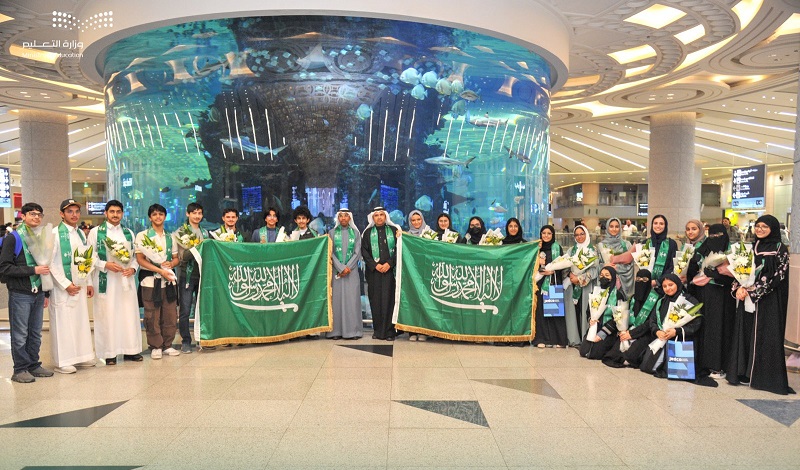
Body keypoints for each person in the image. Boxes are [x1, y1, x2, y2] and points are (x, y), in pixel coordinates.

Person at [728, 215, 795, 395]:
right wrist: (739, 288)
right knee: (746, 333)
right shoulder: (752, 247)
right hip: (747, 298)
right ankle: (744, 373)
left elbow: (779, 275)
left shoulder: (780, 249)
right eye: (758, 226)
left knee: (765, 336)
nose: (760, 229)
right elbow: (740, 270)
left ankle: (763, 377)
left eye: (765, 226)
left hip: (769, 300)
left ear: (773, 229)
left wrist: (755, 290)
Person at [0, 203, 53, 383]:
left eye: (39, 214)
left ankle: (33, 365)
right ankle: (20, 369)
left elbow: (45, 266)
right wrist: (33, 270)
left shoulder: (40, 237)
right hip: (20, 293)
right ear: (23, 216)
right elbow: (5, 268)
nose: (36, 217)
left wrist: (46, 293)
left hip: (38, 292)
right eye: (32, 214)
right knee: (20, 333)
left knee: (35, 332)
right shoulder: (13, 238)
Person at [88, 200, 143, 365]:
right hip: (106, 279)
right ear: (105, 213)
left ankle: (130, 350)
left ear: (122, 214)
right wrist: (105, 264)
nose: (115, 215)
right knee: (108, 315)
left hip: (125, 280)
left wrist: (133, 269)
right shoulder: (95, 233)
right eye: (112, 211)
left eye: (118, 212)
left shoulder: (129, 233)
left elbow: (136, 257)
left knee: (128, 314)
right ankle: (109, 353)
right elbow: (90, 256)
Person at [49, 199, 96, 374]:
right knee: (63, 323)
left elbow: (86, 258)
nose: (74, 215)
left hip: (79, 285)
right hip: (62, 288)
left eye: (76, 211)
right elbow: (49, 263)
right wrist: (65, 284)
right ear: (62, 214)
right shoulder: (55, 234)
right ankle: (63, 361)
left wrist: (88, 282)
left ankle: (81, 356)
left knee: (79, 321)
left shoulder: (81, 234)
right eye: (70, 211)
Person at [686, 223, 733, 380]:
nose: (715, 239)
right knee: (703, 327)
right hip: (702, 293)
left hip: (722, 296)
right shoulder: (702, 249)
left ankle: (717, 365)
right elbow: (691, 270)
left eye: (719, 235)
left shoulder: (731, 252)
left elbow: (736, 277)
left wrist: (717, 275)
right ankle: (702, 362)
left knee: (717, 330)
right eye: (712, 235)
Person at [135, 204, 180, 360]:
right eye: (154, 214)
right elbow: (140, 259)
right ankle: (155, 346)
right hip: (150, 281)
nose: (158, 217)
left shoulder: (171, 237)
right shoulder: (142, 236)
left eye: (161, 214)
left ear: (165, 217)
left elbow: (176, 258)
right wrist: (159, 270)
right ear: (150, 217)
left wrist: (171, 264)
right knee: (152, 315)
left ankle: (167, 345)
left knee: (170, 314)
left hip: (168, 281)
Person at [638, 274, 704, 380]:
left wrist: (676, 331)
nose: (668, 288)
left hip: (680, 339)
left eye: (671, 285)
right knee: (647, 367)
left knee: (668, 370)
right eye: (664, 286)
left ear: (677, 284)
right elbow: (652, 320)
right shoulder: (662, 301)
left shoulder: (690, 301)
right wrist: (657, 331)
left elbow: (696, 324)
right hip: (662, 337)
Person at [602, 269, 660, 369]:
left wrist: (632, 334)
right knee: (612, 355)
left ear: (650, 281)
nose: (641, 282)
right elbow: (625, 315)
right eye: (638, 279)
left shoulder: (656, 299)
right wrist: (623, 330)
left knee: (630, 355)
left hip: (647, 332)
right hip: (630, 330)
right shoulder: (633, 298)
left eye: (644, 280)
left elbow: (651, 323)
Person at [175, 202, 209, 353]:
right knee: (185, 310)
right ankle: (186, 341)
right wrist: (198, 247)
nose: (197, 216)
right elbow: (182, 257)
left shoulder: (206, 233)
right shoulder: (180, 233)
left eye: (199, 213)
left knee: (203, 309)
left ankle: (203, 338)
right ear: (187, 214)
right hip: (186, 276)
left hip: (203, 275)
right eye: (194, 213)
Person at [361, 207, 399, 341]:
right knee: (376, 301)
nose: (379, 217)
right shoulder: (367, 233)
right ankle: (377, 331)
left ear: (385, 216)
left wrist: (390, 263)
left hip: (390, 272)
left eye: (381, 215)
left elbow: (399, 250)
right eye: (376, 215)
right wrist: (375, 265)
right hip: (374, 273)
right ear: (373, 218)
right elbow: (364, 252)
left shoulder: (394, 231)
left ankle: (389, 332)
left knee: (389, 300)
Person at [327, 209, 362, 340]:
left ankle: (353, 331)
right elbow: (330, 252)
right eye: (340, 216)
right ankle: (335, 331)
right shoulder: (331, 233)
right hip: (336, 272)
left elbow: (357, 253)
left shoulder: (356, 233)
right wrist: (341, 267)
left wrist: (347, 267)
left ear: (350, 218)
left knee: (352, 301)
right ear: (338, 218)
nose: (343, 218)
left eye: (346, 216)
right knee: (336, 301)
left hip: (351, 273)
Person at [579, 266, 627, 359]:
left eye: (607, 275)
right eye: (601, 275)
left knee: (595, 354)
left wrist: (602, 334)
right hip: (596, 326)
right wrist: (591, 320)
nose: (603, 277)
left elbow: (618, 318)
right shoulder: (595, 292)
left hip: (610, 330)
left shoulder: (618, 295)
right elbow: (589, 310)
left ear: (613, 277)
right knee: (584, 351)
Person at [533, 224, 567, 348]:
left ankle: (558, 339)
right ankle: (541, 339)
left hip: (554, 281)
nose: (546, 236)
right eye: (544, 233)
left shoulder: (557, 248)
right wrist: (540, 267)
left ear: (553, 235)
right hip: (540, 282)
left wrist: (552, 271)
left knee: (555, 311)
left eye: (549, 233)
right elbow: (531, 265)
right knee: (541, 311)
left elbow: (563, 265)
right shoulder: (537, 248)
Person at [564, 225, 598, 345]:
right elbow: (564, 266)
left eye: (582, 234)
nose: (579, 237)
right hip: (572, 285)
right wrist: (570, 275)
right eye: (576, 235)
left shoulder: (593, 250)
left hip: (586, 286)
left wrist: (579, 278)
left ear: (586, 234)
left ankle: (585, 338)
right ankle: (574, 338)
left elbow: (595, 269)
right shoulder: (571, 250)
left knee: (585, 311)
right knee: (574, 311)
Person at [406, 210, 429, 341]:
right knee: (412, 301)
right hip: (411, 273)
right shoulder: (407, 236)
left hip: (426, 273)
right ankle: (412, 331)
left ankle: (424, 331)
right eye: (413, 220)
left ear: (422, 220)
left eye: (418, 219)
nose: (416, 222)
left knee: (425, 301)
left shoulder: (429, 234)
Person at [598, 218, 633, 297]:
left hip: (621, 284)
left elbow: (631, 266)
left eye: (617, 227)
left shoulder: (626, 245)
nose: (614, 229)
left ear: (620, 228)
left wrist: (617, 267)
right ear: (607, 228)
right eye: (611, 226)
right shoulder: (601, 245)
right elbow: (597, 264)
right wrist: (605, 266)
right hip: (605, 282)